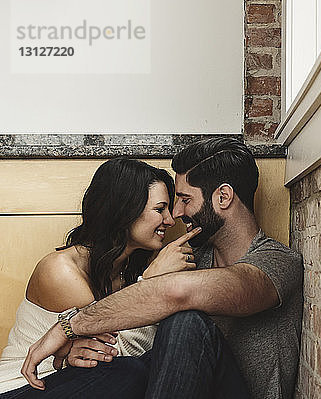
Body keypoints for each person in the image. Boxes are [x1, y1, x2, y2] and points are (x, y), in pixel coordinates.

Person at [21, 137, 304, 398]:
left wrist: (70, 326)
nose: (177, 214)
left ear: (223, 197)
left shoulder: (277, 261)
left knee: (186, 321)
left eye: (185, 200)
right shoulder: (187, 259)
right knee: (135, 368)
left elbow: (177, 293)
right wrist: (77, 352)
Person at [0, 158, 199, 398]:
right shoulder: (61, 271)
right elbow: (113, 353)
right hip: (23, 389)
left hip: (78, 384)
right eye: (159, 209)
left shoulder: (128, 269)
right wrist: (153, 283)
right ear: (125, 211)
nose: (169, 220)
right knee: (130, 372)